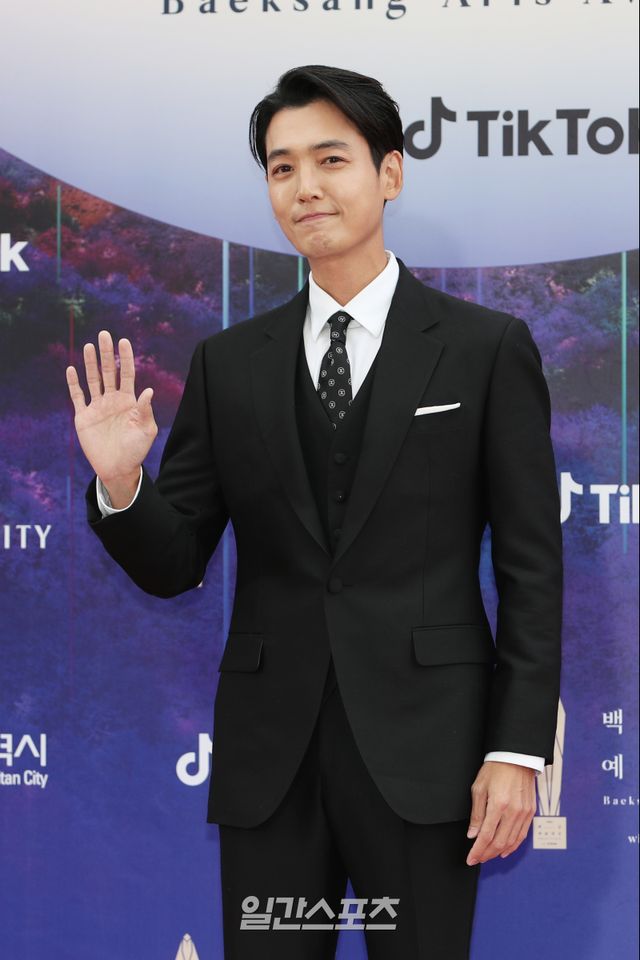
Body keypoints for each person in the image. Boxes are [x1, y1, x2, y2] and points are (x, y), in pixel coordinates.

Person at [65, 65, 563, 960]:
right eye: (282, 167)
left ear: (390, 172)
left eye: (331, 159)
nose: (305, 187)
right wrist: (123, 485)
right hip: (270, 761)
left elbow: (533, 566)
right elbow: (175, 563)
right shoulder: (229, 364)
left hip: (431, 753)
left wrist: (517, 750)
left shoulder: (485, 349)